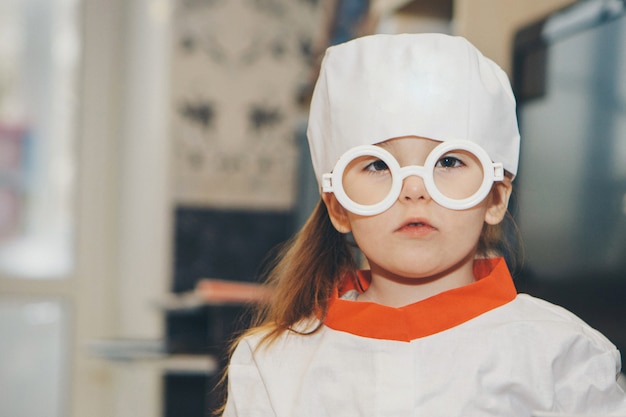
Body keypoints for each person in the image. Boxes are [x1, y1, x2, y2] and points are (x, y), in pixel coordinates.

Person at [220, 33, 626, 416]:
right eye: (378, 165)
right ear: (337, 206)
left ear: (496, 196)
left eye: (448, 162)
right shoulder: (271, 366)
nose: (414, 189)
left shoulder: (564, 356)